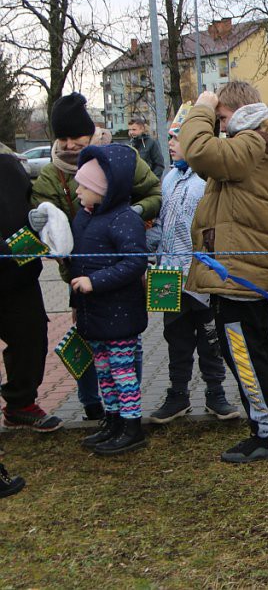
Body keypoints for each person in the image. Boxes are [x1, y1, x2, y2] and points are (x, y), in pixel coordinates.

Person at [178, 82, 268, 463]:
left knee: (245, 354)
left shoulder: (252, 141)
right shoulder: (255, 142)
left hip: (239, 270)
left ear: (235, 111)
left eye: (220, 118)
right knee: (257, 350)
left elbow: (199, 152)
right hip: (239, 268)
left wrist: (199, 108)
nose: (217, 126)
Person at [32, 92, 161, 421]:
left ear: (90, 133)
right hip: (80, 274)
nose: (70, 144)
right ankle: (94, 404)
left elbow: (154, 193)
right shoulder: (51, 175)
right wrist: (41, 222)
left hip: (121, 269)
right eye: (62, 137)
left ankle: (128, 413)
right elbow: (44, 218)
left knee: (125, 341)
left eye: (76, 136)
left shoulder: (121, 159)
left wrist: (132, 212)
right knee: (87, 337)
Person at [148, 125, 240, 424]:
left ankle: (216, 393)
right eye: (171, 138)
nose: (171, 144)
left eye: (177, 139)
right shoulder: (170, 177)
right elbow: (161, 224)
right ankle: (178, 394)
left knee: (210, 337)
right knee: (176, 337)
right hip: (168, 276)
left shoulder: (208, 179)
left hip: (201, 276)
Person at [70, 144, 150, 455]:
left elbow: (134, 262)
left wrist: (95, 282)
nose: (78, 191)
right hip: (95, 314)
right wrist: (77, 303)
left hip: (120, 313)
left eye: (84, 186)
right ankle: (113, 420)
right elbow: (78, 261)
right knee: (103, 370)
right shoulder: (85, 218)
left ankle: (132, 425)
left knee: (122, 371)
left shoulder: (123, 219)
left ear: (104, 190)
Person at [0, 153, 62, 432]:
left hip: (20, 275)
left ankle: (20, 405)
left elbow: (32, 206)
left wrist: (39, 227)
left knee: (31, 338)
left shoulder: (10, 166)